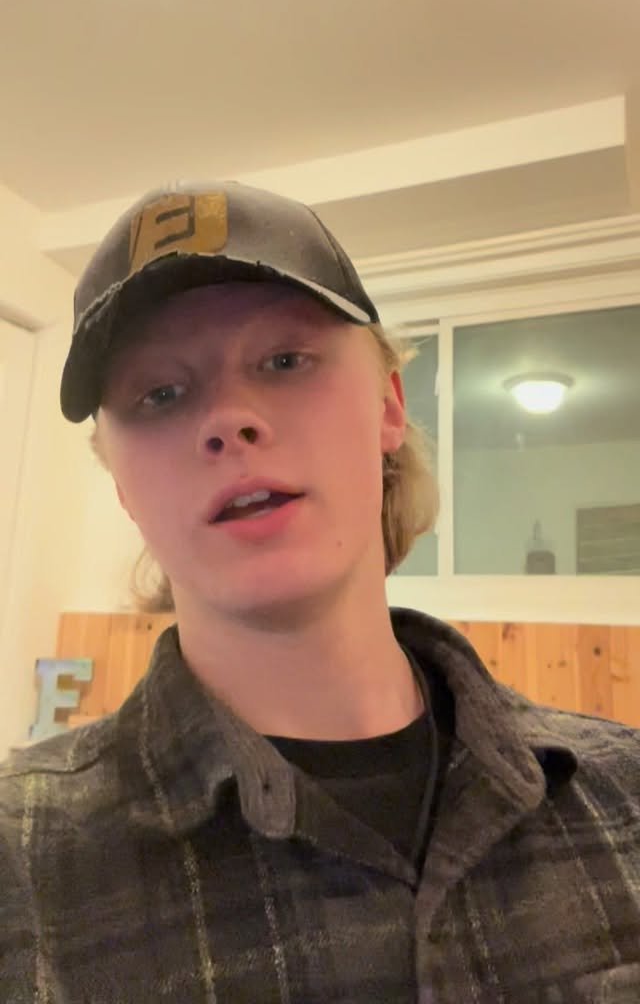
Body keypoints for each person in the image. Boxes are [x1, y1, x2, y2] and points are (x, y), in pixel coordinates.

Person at [1, 182, 639, 1004]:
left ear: (389, 406)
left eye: (283, 361)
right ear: (121, 484)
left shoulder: (625, 796)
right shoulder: (20, 865)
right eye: (159, 394)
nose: (227, 420)